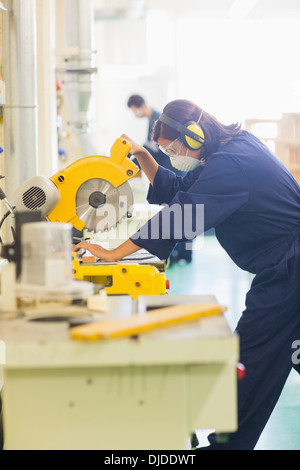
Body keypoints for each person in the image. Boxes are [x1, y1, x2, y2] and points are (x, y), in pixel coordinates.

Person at [74, 99, 300, 450]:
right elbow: (181, 189)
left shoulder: (233, 164)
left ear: (194, 136)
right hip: (289, 268)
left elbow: (184, 214)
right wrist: (145, 156)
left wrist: (113, 252)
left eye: (172, 148)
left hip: (289, 271)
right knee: (291, 348)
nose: (172, 154)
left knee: (249, 361)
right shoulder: (230, 151)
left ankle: (227, 446)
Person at [127, 94, 192, 264]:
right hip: (170, 170)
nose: (135, 114)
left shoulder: (157, 119)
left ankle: (183, 254)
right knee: (178, 211)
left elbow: (153, 148)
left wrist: (133, 160)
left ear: (138, 106)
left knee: (180, 212)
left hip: (172, 171)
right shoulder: (153, 118)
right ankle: (181, 253)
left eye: (134, 111)